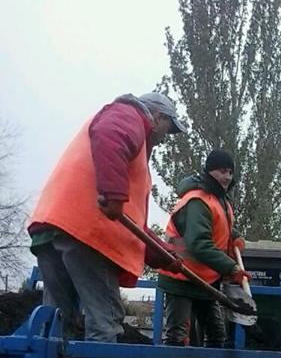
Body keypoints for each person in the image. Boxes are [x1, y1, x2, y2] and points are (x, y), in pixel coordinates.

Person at [28, 92, 185, 341]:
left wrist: (165, 256)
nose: (166, 138)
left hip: (55, 226)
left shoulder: (129, 148)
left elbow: (134, 226)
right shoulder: (129, 115)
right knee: (105, 321)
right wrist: (114, 194)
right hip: (88, 234)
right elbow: (111, 136)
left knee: (58, 321)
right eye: (169, 127)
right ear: (157, 117)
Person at [158, 150, 252, 347]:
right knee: (178, 335)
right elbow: (199, 243)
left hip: (204, 279)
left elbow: (217, 226)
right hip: (181, 275)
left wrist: (234, 237)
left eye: (230, 172)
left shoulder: (220, 200)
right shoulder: (197, 201)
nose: (227, 177)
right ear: (210, 171)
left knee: (217, 334)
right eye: (222, 171)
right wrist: (232, 268)